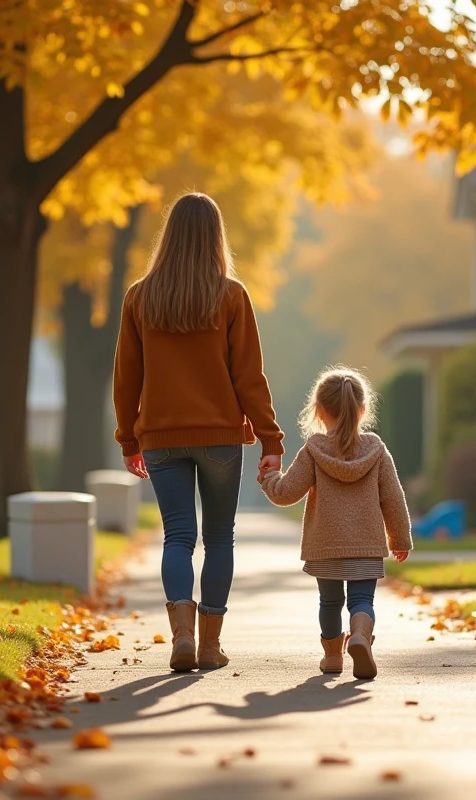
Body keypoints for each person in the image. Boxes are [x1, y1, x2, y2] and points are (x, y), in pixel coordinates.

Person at [113, 192, 283, 673]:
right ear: (215, 237)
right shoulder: (231, 296)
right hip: (221, 438)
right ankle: (209, 646)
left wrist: (129, 439)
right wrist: (271, 439)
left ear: (168, 239)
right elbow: (249, 376)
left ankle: (181, 637)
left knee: (178, 537)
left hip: (161, 439)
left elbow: (126, 378)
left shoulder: (139, 297)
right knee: (220, 538)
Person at [259, 367, 412, 680]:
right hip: (366, 544)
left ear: (318, 410)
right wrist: (400, 539)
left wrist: (269, 478)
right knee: (361, 600)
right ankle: (359, 635)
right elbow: (393, 499)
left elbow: (287, 493)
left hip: (325, 546)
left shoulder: (314, 450)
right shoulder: (377, 451)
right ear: (362, 409)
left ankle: (332, 657)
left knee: (329, 602)